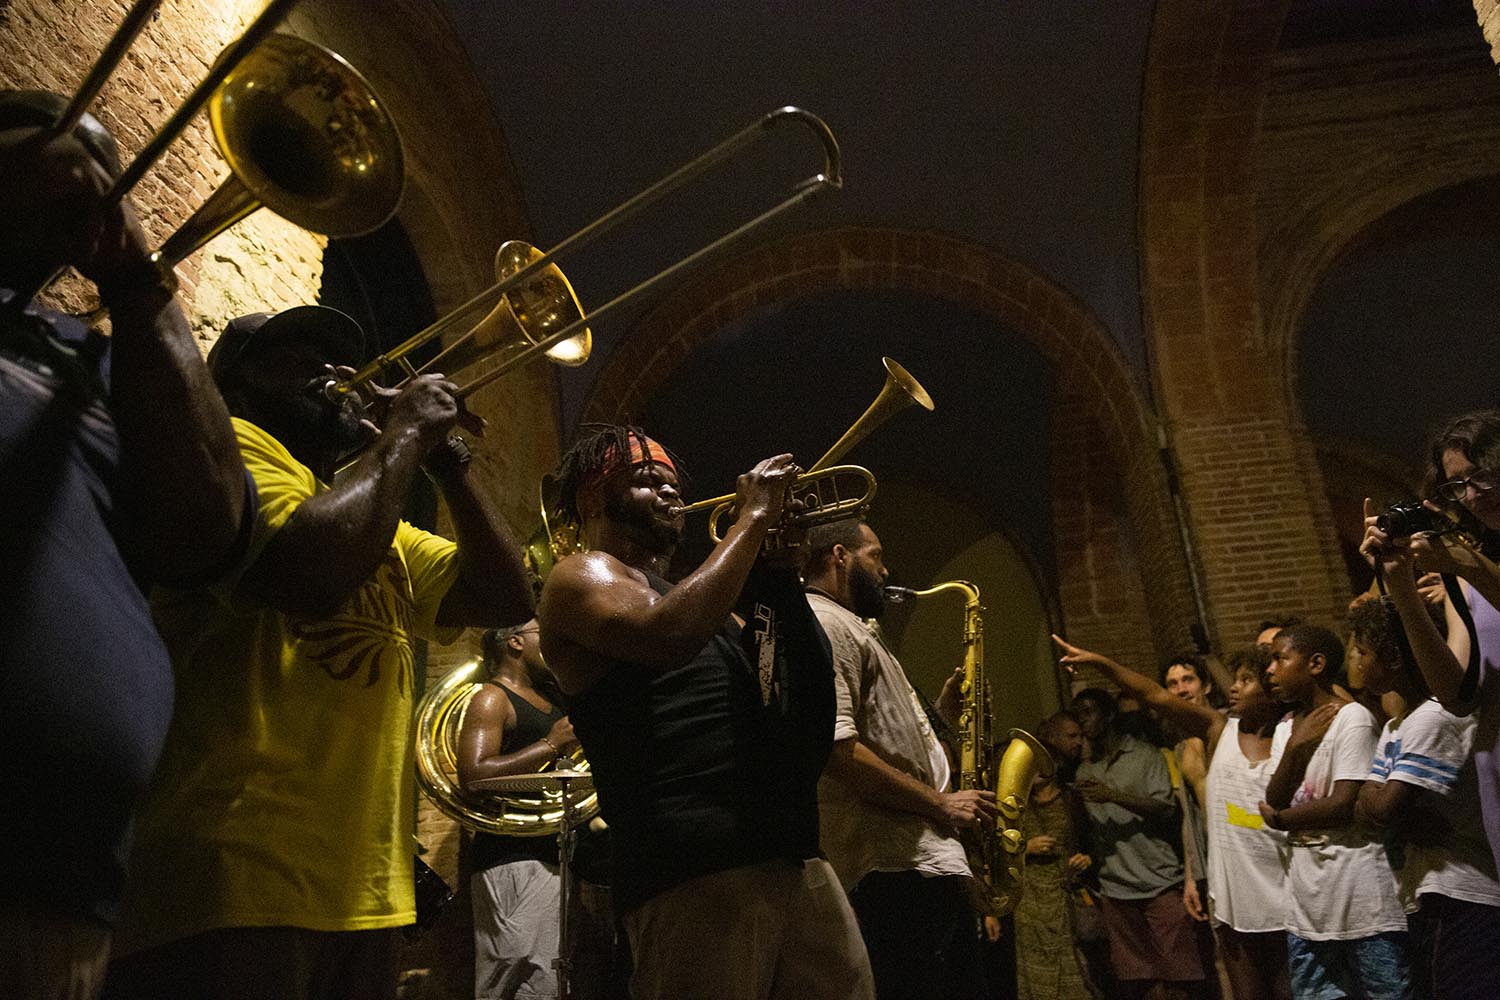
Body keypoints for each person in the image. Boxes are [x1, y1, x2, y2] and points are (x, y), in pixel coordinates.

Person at [103, 305, 534, 1000]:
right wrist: (405, 434)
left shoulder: (371, 520)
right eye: (295, 355)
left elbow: (507, 597)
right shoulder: (228, 452)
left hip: (365, 893)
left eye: (335, 358)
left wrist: (446, 464)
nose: (331, 370)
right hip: (233, 876)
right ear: (234, 386)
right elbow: (305, 571)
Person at [0, 90, 250, 997]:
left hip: (66, 884)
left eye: (107, 171)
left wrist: (138, 280)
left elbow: (206, 533)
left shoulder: (104, 362)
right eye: (53, 152)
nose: (89, 183)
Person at [535, 426, 872, 1000]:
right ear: (592, 499)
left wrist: (779, 577)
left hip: (788, 849)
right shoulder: (580, 574)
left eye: (673, 483)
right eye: (648, 481)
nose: (670, 493)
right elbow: (665, 636)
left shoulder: (701, 596)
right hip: (691, 862)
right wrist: (751, 520)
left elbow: (794, 699)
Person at [801, 518, 993, 1000]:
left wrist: (942, 715)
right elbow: (835, 749)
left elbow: (885, 738)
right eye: (876, 556)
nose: (885, 571)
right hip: (895, 868)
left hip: (916, 860)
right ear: (840, 556)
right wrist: (940, 803)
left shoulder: (853, 626)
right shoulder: (826, 622)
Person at [1057, 640, 1286, 1000]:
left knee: (1287, 984)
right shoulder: (1217, 728)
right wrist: (1101, 663)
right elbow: (1154, 696)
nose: (1234, 687)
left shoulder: (1290, 732)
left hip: (1278, 872)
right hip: (1230, 874)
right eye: (1235, 679)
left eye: (1245, 680)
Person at [1358, 409, 1500, 878]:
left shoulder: (1469, 564)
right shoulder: (1467, 568)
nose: (1472, 495)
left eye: (1482, 476)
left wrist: (1467, 564)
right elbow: (1456, 694)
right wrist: (1398, 583)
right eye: (1458, 485)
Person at [1351, 596, 1500, 999]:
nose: (1356, 661)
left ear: (1393, 657)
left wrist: (1377, 802)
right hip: (1428, 891)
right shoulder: (1397, 725)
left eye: (1363, 651)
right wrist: (1381, 806)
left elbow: (1382, 808)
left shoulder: (1433, 719)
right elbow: (1365, 814)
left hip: (1462, 892)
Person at [458, 621, 612, 1000]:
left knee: (546, 980)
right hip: (511, 857)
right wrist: (550, 744)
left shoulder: (549, 697)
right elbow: (474, 775)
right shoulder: (492, 697)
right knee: (511, 977)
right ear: (514, 642)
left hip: (553, 853)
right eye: (542, 633)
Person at [1259, 625, 1410, 1000]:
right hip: (1308, 901)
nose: (1270, 670)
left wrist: (1281, 821)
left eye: (1280, 658)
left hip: (1359, 894)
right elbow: (1275, 796)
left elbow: (1344, 804)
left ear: (1316, 664)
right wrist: (1296, 746)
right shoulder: (1287, 728)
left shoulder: (1352, 718)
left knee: (1385, 991)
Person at [1070, 687, 1211, 999]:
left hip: (1159, 880)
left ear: (1109, 715)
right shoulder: (1085, 769)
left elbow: (1167, 808)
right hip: (1115, 887)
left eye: (1088, 713)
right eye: (1078, 716)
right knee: (1138, 979)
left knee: (1180, 976)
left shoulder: (1146, 756)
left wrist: (1113, 796)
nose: (1083, 722)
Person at [1013, 712, 1093, 1000]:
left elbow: (1090, 844)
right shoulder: (1015, 806)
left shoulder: (1070, 799)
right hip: (1029, 903)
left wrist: (1085, 860)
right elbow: (998, 854)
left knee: (1078, 973)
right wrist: (1027, 848)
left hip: (1065, 897)